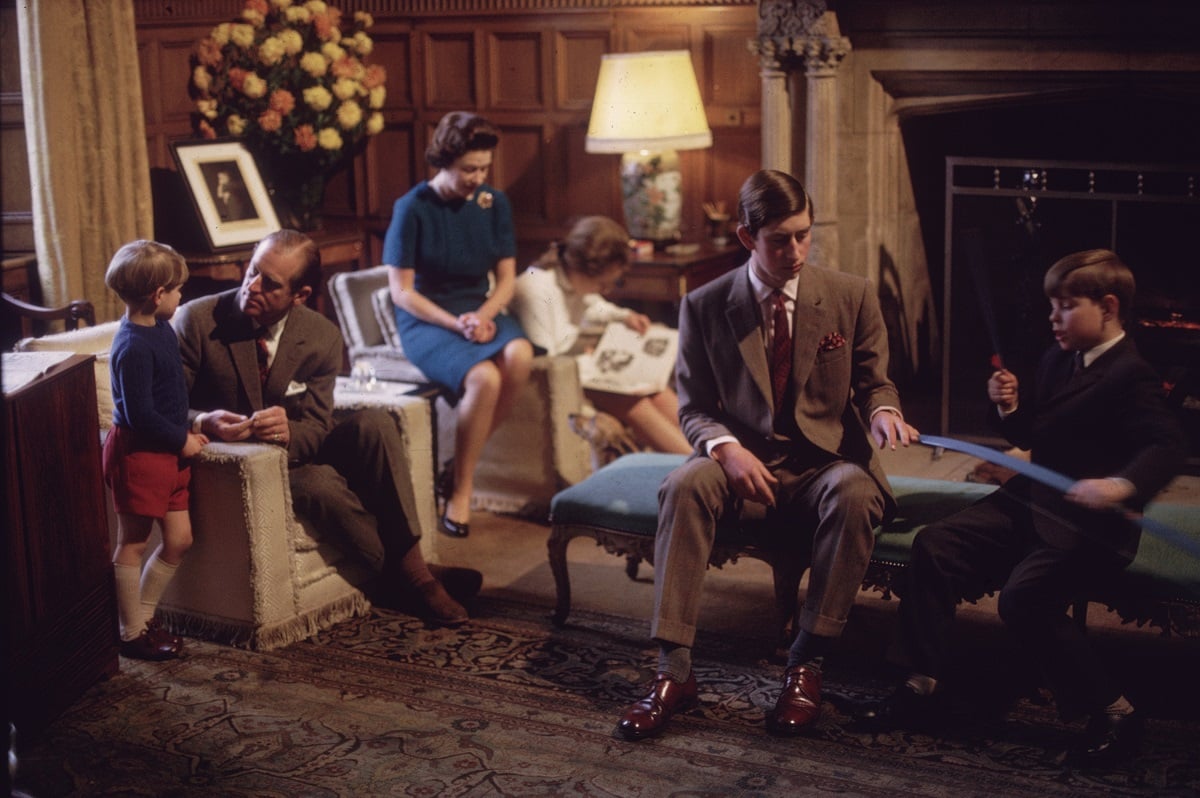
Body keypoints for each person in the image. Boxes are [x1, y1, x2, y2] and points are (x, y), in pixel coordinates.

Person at [614, 170, 919, 741]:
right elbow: (694, 407)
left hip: (823, 467)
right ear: (746, 237)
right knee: (684, 484)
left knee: (856, 492)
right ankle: (673, 673)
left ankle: (806, 664)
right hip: (744, 470)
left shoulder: (850, 295)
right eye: (780, 240)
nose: (797, 251)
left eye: (805, 235)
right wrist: (726, 450)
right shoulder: (704, 305)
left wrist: (884, 412)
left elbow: (875, 383)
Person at [855, 249, 1185, 767]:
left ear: (1109, 307)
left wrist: (1119, 486)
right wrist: (1009, 406)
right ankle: (921, 685)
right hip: (1032, 504)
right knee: (935, 545)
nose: (1053, 318)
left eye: (1065, 306)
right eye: (1051, 306)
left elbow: (1165, 446)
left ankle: (1116, 711)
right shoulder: (1061, 357)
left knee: (1024, 599)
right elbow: (1034, 433)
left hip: (1093, 527)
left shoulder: (1132, 375)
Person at [174, 229, 479, 627]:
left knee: (375, 424)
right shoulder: (197, 321)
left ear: (299, 295)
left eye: (270, 284)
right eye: (252, 272)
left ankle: (414, 570)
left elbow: (317, 424)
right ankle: (417, 577)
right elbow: (166, 409)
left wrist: (288, 432)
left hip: (294, 444)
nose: (252, 287)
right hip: (242, 463)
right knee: (317, 484)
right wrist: (204, 420)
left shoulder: (321, 336)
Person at [383, 111, 533, 538]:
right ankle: (461, 488)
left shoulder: (493, 203)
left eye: (484, 168)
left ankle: (457, 465)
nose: (478, 177)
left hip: (477, 311)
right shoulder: (412, 207)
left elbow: (506, 280)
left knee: (520, 354)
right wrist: (457, 325)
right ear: (443, 161)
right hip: (427, 319)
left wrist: (483, 317)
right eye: (469, 169)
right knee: (484, 377)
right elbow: (403, 292)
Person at [103, 240, 208, 660]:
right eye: (178, 289)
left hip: (168, 453)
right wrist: (181, 438)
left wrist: (186, 431)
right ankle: (131, 633)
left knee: (179, 539)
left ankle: (144, 617)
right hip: (140, 456)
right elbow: (139, 414)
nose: (182, 296)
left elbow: (168, 397)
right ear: (157, 294)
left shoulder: (162, 329)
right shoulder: (132, 346)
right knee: (133, 541)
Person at [510, 215, 691, 455]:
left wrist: (625, 316)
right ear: (582, 268)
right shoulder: (536, 289)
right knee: (634, 401)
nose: (605, 290)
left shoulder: (573, 281)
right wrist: (593, 357)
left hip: (580, 366)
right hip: (554, 375)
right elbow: (549, 360)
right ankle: (690, 462)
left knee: (655, 389)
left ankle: (710, 452)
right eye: (602, 284)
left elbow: (594, 305)